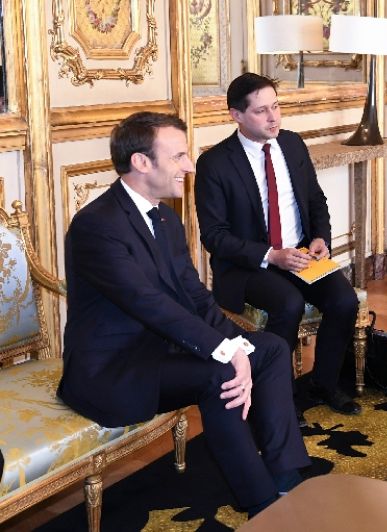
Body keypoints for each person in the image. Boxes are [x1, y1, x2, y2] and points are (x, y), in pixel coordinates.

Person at [57, 112, 310, 517]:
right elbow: (148, 304)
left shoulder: (165, 217)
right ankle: (262, 505)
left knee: (271, 348)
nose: (189, 167)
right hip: (114, 371)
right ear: (141, 162)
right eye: (178, 157)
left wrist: (237, 343)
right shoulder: (96, 226)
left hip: (162, 352)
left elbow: (194, 295)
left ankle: (285, 475)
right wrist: (227, 352)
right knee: (222, 373)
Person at [195, 73, 361, 422]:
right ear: (236, 115)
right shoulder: (215, 164)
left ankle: (323, 384)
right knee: (288, 303)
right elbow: (214, 236)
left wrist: (320, 238)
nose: (273, 118)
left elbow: (315, 200)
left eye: (276, 106)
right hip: (249, 266)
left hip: (300, 254)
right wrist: (271, 255)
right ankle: (279, 398)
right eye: (261, 111)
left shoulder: (292, 144)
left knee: (344, 300)